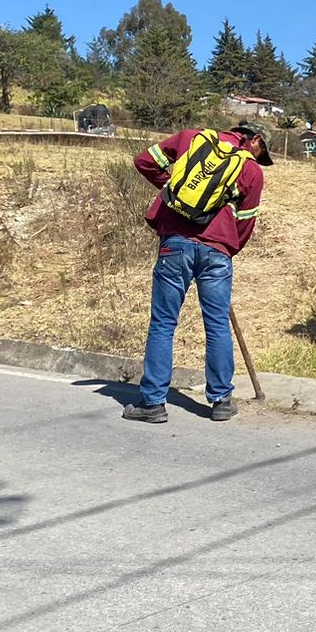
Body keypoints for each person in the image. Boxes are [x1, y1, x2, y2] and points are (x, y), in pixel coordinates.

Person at [123, 122, 272, 424]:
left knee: (163, 323)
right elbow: (245, 221)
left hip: (175, 244)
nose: (259, 156)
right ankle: (221, 401)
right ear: (254, 139)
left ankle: (152, 403)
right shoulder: (252, 171)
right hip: (217, 251)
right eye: (261, 150)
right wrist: (228, 247)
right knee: (217, 324)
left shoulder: (191, 139)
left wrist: (177, 191)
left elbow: (144, 162)